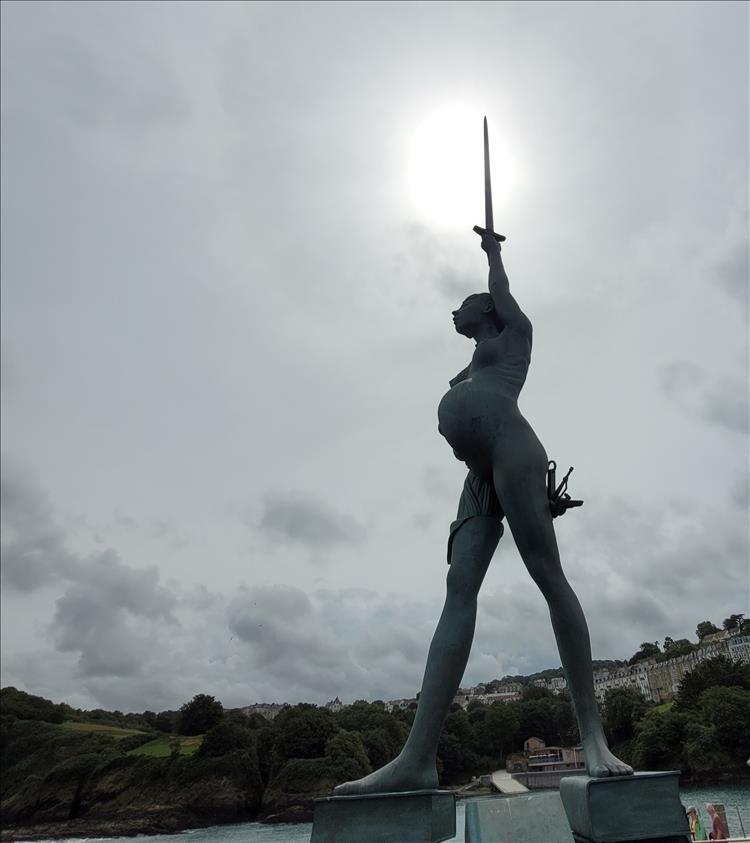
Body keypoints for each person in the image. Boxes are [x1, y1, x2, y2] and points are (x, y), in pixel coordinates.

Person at [334, 231, 631, 796]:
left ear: (488, 309)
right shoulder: (471, 360)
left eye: (466, 302)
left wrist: (493, 252)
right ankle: (416, 759)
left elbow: (500, 286)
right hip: (479, 474)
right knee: (459, 585)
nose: (455, 308)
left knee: (549, 577)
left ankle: (594, 739)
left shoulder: (514, 335)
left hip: (513, 452)